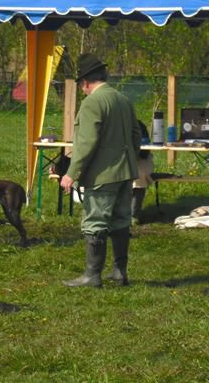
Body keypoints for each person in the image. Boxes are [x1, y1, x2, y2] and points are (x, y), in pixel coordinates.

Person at [60, 53, 141, 287]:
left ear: (85, 82)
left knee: (95, 222)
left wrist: (71, 173)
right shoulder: (123, 99)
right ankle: (119, 271)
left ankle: (92, 275)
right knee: (121, 220)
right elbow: (136, 135)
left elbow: (86, 142)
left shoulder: (92, 103)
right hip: (126, 172)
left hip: (103, 175)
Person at [132, 120, 154, 225]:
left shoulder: (138, 125)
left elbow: (144, 152)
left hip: (140, 158)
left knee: (139, 175)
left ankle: (133, 214)